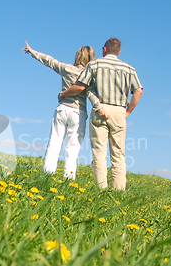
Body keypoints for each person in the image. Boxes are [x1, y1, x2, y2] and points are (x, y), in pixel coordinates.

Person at [60, 38, 143, 190]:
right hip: (119, 111)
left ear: (105, 49)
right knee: (118, 155)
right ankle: (118, 191)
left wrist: (64, 93)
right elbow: (138, 91)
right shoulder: (129, 68)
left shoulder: (95, 64)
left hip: (100, 109)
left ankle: (101, 190)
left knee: (99, 153)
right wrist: (128, 111)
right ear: (119, 52)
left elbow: (83, 86)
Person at [22, 41, 107, 179]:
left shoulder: (66, 68)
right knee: (73, 147)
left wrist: (32, 52)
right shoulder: (91, 75)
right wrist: (100, 108)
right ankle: (69, 177)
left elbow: (49, 60)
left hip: (62, 110)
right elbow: (92, 94)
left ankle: (47, 174)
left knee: (54, 143)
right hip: (78, 112)